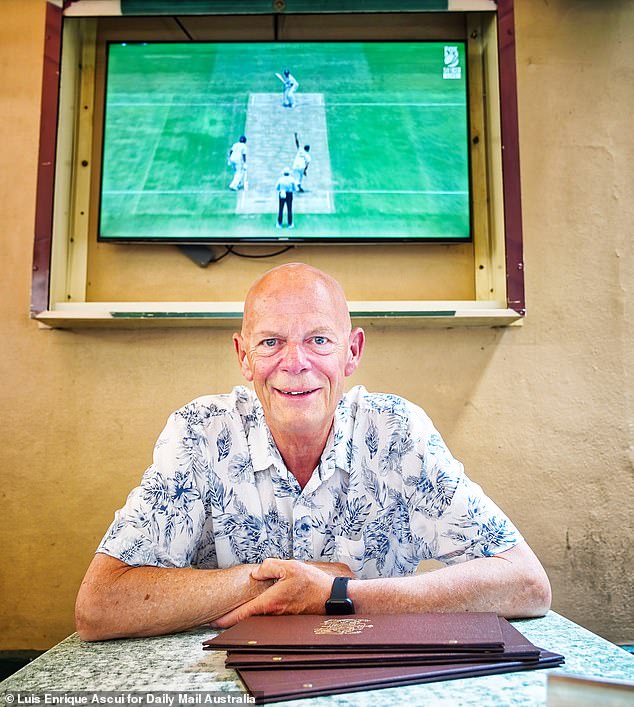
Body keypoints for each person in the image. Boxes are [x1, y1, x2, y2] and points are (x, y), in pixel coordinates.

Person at [75, 263, 552, 641]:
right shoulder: (200, 432)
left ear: (352, 350)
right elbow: (100, 606)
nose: (295, 362)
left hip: (374, 686)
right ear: (244, 356)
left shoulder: (396, 432)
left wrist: (340, 594)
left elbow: (526, 584)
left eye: (318, 340)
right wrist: (288, 583)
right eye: (271, 342)